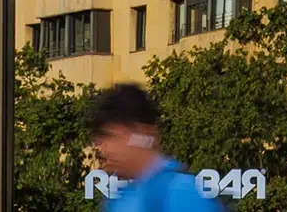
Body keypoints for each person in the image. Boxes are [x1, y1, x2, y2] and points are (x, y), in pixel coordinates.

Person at [89, 82, 223, 211]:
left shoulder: (185, 194)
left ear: (140, 132)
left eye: (111, 136)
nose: (104, 149)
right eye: (101, 140)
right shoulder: (120, 200)